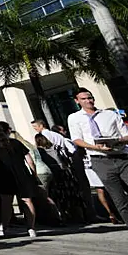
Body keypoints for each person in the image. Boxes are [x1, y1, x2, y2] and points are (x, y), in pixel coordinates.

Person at [67, 87, 128, 226]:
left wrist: (117, 140)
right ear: (77, 101)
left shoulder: (109, 114)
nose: (88, 101)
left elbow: (125, 134)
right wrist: (95, 147)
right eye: (84, 99)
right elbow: (77, 139)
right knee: (118, 197)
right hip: (99, 159)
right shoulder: (74, 118)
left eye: (90, 97)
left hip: (121, 156)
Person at [0, 121, 38, 237]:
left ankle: (4, 227)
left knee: (6, 203)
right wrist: (34, 175)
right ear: (8, 130)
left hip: (5, 174)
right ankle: (31, 228)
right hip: (22, 173)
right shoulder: (17, 143)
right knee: (27, 200)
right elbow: (29, 160)